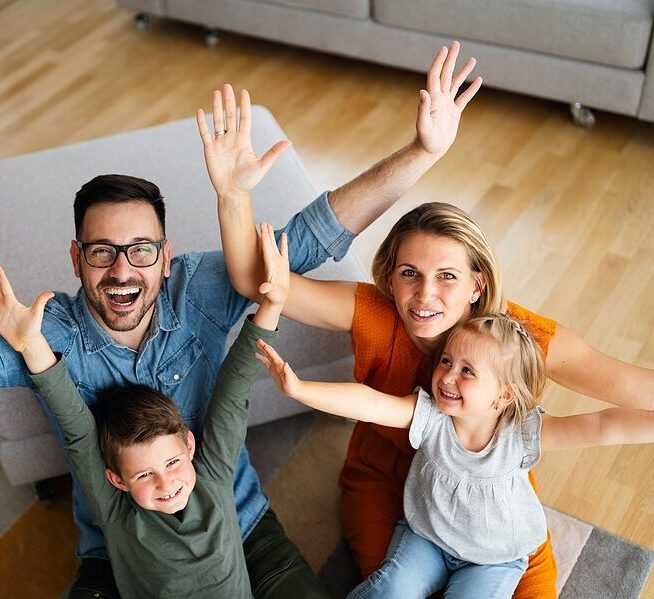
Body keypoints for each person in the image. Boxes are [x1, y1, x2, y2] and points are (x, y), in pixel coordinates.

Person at [0, 41, 481, 597]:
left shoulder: (196, 288)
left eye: (141, 249)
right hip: (117, 554)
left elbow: (310, 237)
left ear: (166, 252)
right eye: (101, 251)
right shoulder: (47, 328)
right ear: (75, 258)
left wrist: (422, 151)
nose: (123, 270)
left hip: (244, 527)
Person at [219, 194, 654, 597]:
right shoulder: (374, 311)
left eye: (447, 276)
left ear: (477, 284)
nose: (425, 295)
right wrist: (231, 192)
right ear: (391, 276)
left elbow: (622, 394)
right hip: (389, 482)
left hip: (490, 501)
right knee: (389, 584)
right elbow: (248, 279)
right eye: (410, 273)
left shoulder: (516, 340)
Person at [255, 313, 654, 599]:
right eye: (446, 361)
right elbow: (371, 403)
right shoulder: (430, 415)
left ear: (504, 396)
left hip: (494, 558)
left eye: (468, 371)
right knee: (390, 589)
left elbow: (604, 425)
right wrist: (300, 389)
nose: (447, 375)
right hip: (427, 537)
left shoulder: (521, 434)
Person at [0, 223, 291, 598]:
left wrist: (273, 304)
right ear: (117, 480)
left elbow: (234, 390)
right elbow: (75, 425)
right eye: (142, 475)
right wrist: (31, 345)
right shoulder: (116, 511)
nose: (166, 485)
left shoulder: (214, 476)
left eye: (171, 463)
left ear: (189, 445)